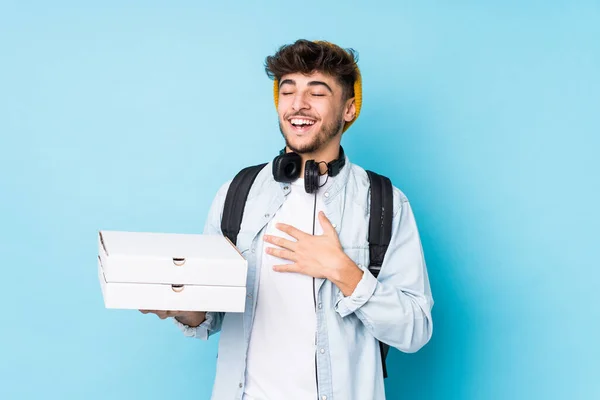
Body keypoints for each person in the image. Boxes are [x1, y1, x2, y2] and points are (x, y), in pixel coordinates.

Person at [141, 39, 434, 400]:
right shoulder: (237, 192)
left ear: (349, 109)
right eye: (288, 90)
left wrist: (344, 271)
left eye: (318, 92)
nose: (298, 104)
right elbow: (211, 314)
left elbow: (415, 330)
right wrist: (183, 310)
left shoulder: (386, 202)